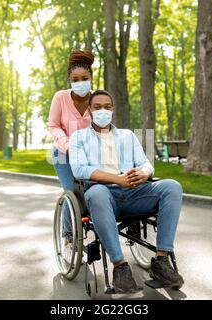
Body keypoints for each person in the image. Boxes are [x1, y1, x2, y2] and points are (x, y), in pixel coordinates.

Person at [69, 90, 184, 293]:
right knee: (97, 193)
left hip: (134, 193)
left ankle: (162, 261)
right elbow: (79, 170)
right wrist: (117, 179)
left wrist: (144, 173)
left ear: (112, 109)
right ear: (89, 110)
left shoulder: (127, 136)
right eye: (97, 107)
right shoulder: (78, 137)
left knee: (172, 186)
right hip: (104, 195)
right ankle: (120, 267)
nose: (102, 110)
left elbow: (146, 163)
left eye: (107, 106)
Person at [48, 50, 95, 238]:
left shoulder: (97, 100)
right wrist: (67, 144)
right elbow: (53, 125)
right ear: (70, 80)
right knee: (73, 192)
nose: (80, 82)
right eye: (75, 79)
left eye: (84, 78)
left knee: (94, 190)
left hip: (89, 155)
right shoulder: (60, 98)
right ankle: (68, 235)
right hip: (63, 153)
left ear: (91, 78)